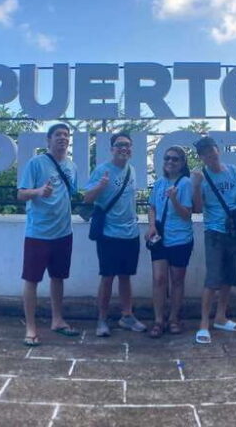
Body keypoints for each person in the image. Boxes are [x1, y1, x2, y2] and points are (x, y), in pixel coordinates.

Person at [16, 123, 79, 347]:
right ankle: (31, 327)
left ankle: (57, 320)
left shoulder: (72, 166)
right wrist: (39, 192)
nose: (63, 138)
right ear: (48, 140)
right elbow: (21, 194)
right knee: (32, 280)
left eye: (66, 135)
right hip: (38, 233)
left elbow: (71, 195)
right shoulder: (35, 163)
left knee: (58, 277)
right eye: (58, 135)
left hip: (64, 232)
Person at [191, 136, 236, 345]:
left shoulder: (233, 170)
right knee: (212, 280)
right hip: (215, 232)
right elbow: (198, 209)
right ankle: (203, 324)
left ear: (218, 150)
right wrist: (196, 186)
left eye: (212, 150)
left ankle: (220, 317)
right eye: (205, 152)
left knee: (229, 278)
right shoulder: (202, 177)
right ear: (201, 157)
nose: (210, 154)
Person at [83, 132, 146, 336]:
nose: (123, 148)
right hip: (109, 233)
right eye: (119, 145)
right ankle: (102, 319)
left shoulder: (132, 170)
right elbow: (87, 198)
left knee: (126, 277)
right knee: (107, 277)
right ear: (112, 149)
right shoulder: (102, 170)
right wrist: (100, 186)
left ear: (131, 149)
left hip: (130, 232)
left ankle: (127, 316)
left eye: (127, 145)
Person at [145, 146, 193, 338]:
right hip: (160, 238)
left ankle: (174, 318)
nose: (170, 162)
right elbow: (151, 207)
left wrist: (174, 199)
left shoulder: (186, 183)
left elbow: (187, 214)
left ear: (182, 163)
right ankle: (158, 319)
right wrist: (151, 226)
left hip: (180, 238)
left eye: (175, 159)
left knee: (177, 280)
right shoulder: (159, 183)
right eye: (167, 158)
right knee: (159, 279)